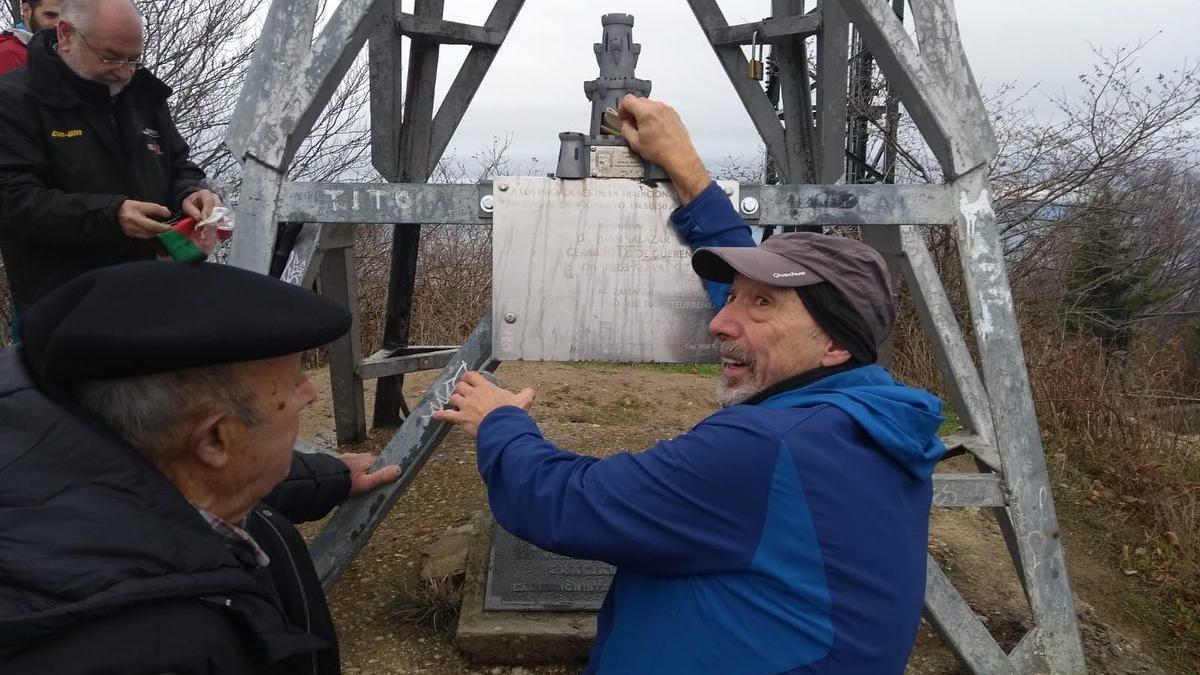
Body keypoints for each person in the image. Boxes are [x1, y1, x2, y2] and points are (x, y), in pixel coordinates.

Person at [433, 96, 946, 673]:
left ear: (834, 343)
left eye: (760, 305)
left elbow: (568, 505)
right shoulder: (865, 415)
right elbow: (759, 296)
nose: (720, 322)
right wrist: (689, 173)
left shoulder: (765, 449)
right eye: (733, 297)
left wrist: (500, 420)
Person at [0, 260, 386, 674]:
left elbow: (167, 482)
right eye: (294, 384)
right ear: (215, 441)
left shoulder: (53, 453)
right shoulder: (163, 652)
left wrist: (327, 477)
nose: (310, 394)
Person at [0, 0, 220, 323]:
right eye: (110, 58)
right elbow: (14, 201)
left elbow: (178, 165)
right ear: (66, 35)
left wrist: (190, 193)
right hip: (68, 310)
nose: (124, 72)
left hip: (155, 295)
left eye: (134, 59)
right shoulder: (14, 101)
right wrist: (112, 215)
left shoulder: (144, 95)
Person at [0, 0, 61, 74]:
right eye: (50, 15)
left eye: (62, 17)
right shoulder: (10, 53)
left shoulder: (59, 51)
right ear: (26, 10)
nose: (58, 24)